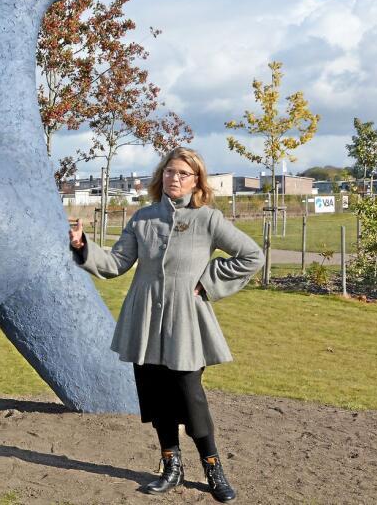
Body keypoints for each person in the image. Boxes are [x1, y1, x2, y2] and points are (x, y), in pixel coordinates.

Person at [69, 147, 264, 503]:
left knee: (190, 395)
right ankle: (171, 465)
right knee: (156, 395)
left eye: (183, 174)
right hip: (144, 318)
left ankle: (212, 466)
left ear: (197, 181)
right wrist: (83, 246)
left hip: (185, 320)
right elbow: (115, 263)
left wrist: (209, 281)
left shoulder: (208, 219)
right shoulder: (143, 218)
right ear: (162, 177)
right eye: (170, 172)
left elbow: (252, 255)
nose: (175, 179)